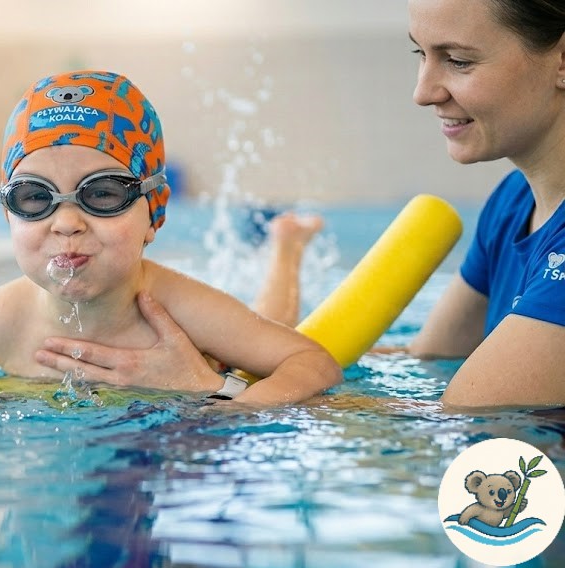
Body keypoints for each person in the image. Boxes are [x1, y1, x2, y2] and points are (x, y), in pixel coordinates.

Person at [36, 1, 565, 409]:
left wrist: (205, 389)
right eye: (420, 55)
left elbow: (445, 428)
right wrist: (244, 364)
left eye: (458, 61)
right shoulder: (514, 201)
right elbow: (427, 362)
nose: (423, 92)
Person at [0, 69, 342, 405]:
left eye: (102, 193)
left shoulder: (180, 308)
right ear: (7, 212)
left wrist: (223, 399)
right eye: (35, 197)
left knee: (269, 328)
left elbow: (311, 361)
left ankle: (286, 246)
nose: (66, 222)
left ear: (154, 211)